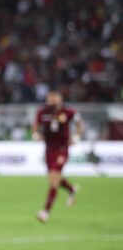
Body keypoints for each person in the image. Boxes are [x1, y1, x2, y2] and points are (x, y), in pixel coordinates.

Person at [33, 91, 82, 223]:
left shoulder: (68, 112)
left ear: (59, 100)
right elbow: (35, 125)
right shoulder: (42, 112)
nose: (50, 102)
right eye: (48, 100)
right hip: (49, 149)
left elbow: (79, 123)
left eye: (52, 100)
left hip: (62, 149)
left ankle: (45, 212)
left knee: (53, 180)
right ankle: (71, 189)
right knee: (54, 178)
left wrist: (76, 137)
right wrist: (36, 134)